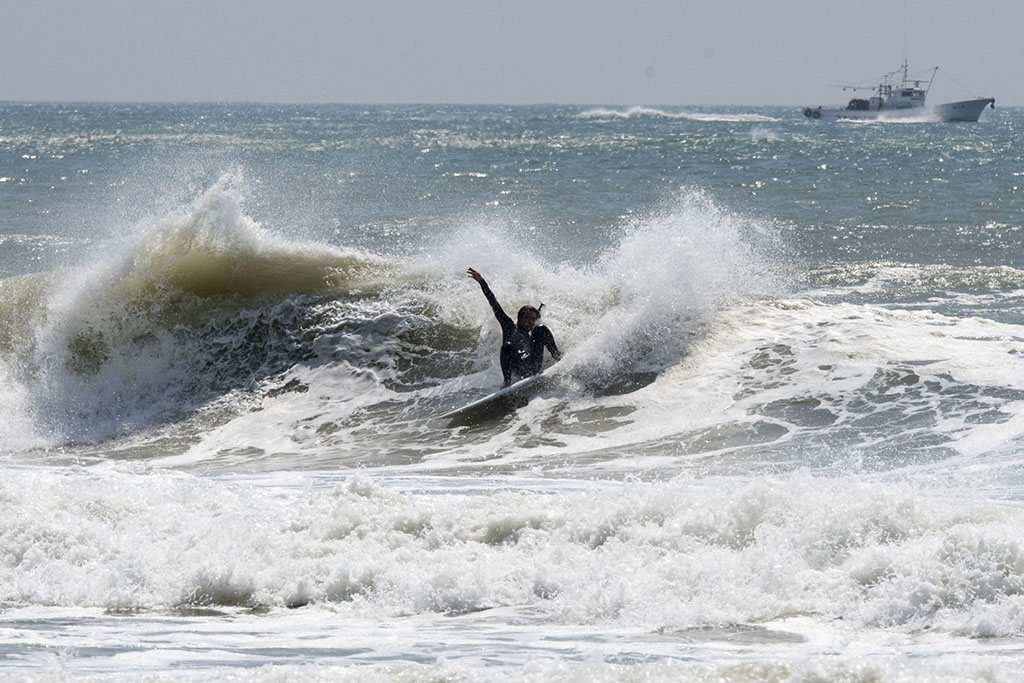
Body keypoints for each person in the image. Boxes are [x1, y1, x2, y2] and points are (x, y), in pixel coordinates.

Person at [467, 267, 562, 387]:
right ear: (519, 318)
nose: (530, 322)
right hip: (520, 369)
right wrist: (482, 282)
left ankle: (557, 356)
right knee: (507, 346)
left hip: (533, 365)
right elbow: (495, 304)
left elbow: (538, 320)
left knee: (541, 328)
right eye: (527, 318)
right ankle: (506, 381)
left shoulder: (532, 333)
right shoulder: (509, 327)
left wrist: (541, 308)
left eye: (532, 319)